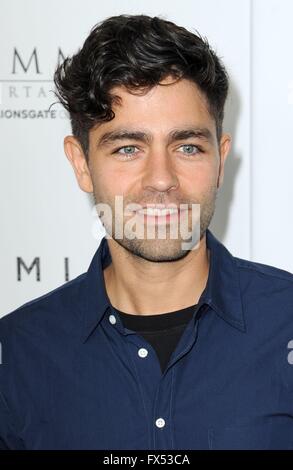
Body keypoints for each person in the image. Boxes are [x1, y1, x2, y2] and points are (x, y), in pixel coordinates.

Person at [0, 13, 293, 451]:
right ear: (81, 163)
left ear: (220, 159)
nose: (161, 178)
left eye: (188, 146)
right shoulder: (17, 353)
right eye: (128, 148)